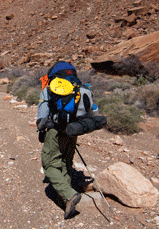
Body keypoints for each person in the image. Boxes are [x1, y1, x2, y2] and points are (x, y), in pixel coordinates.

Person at [36, 62, 94, 219]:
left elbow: (42, 114)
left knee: (49, 164)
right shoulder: (80, 88)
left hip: (56, 132)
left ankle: (69, 195)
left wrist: (41, 128)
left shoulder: (50, 89)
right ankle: (63, 198)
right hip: (73, 130)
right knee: (66, 162)